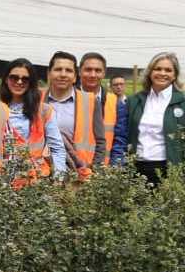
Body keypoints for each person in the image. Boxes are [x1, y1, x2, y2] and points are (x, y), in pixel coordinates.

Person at [116, 52, 185, 185]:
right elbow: (121, 135)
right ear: (150, 72)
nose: (162, 73)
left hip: (168, 169)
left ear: (175, 75)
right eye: (157, 68)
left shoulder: (182, 102)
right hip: (136, 168)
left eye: (168, 70)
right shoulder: (134, 101)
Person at [0, 58, 68, 177]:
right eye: (14, 77)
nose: (19, 82)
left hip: (37, 182)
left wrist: (59, 178)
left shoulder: (44, 111)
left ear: (31, 82)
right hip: (4, 181)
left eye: (25, 79)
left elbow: (57, 149)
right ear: (6, 79)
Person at [43, 51, 106, 175]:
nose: (63, 74)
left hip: (80, 173)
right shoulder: (36, 99)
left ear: (75, 77)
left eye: (68, 70)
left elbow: (100, 142)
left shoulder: (90, 101)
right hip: (43, 174)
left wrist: (93, 171)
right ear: (49, 73)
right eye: (58, 69)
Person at [78, 52, 118, 163]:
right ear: (79, 71)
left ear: (104, 73)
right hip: (73, 169)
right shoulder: (69, 100)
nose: (93, 75)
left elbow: (119, 140)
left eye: (98, 70)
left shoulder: (114, 102)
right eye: (88, 70)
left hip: (104, 173)